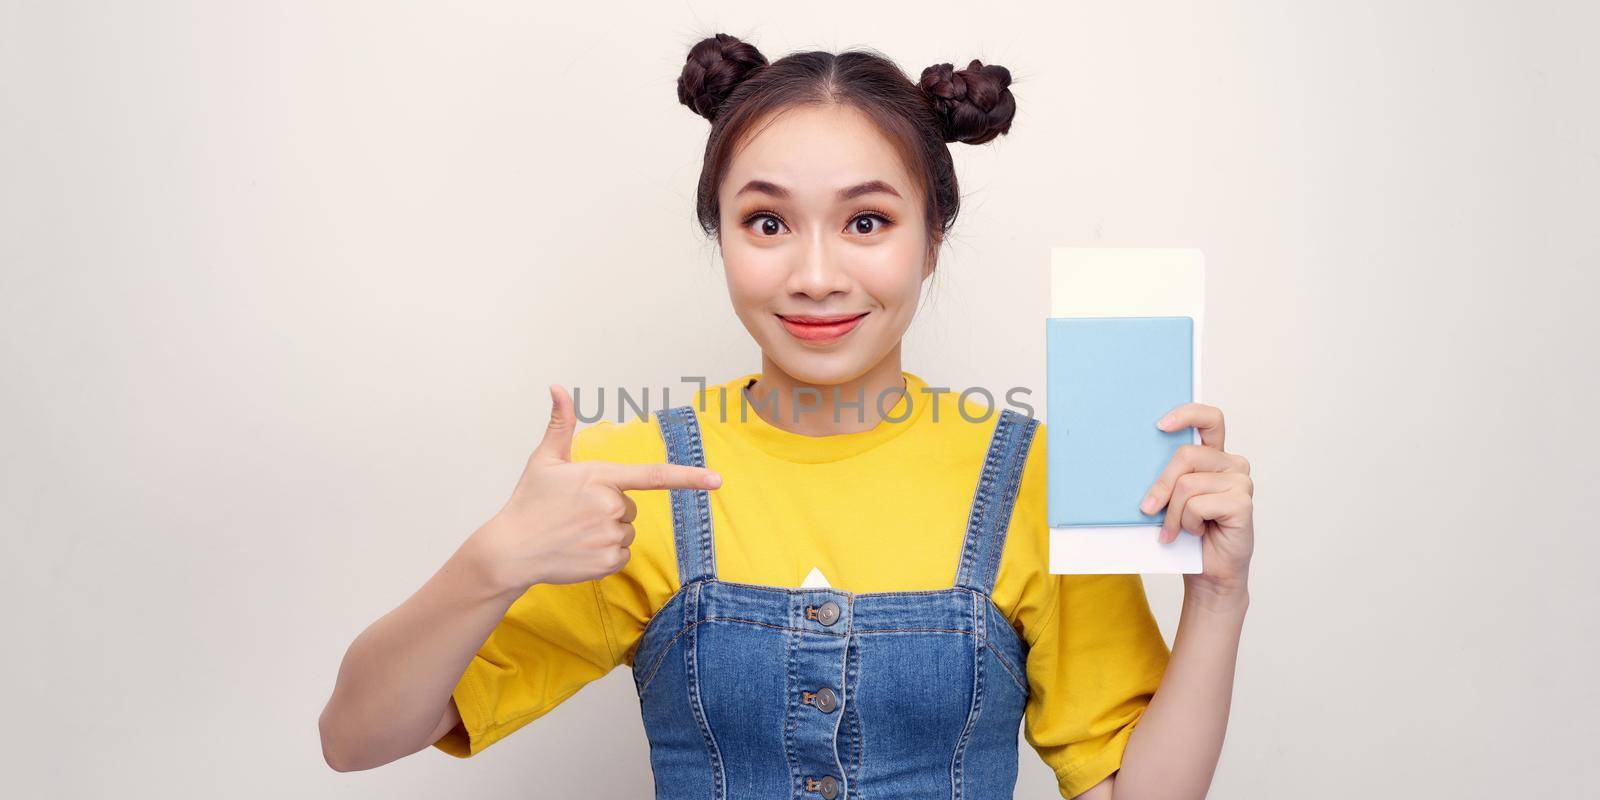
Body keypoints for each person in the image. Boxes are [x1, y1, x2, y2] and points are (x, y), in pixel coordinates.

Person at [317, 33, 1255, 800]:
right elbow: (357, 739)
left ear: (933, 239)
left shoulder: (1038, 474)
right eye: (766, 222)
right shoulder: (631, 479)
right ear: (718, 234)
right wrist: (495, 559)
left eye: (866, 222)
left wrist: (1216, 597)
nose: (814, 274)